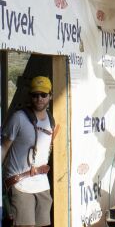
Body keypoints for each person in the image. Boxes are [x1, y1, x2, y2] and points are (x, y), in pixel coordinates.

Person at [1, 76, 55, 227]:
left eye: (43, 95)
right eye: (35, 95)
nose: (39, 98)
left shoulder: (51, 120)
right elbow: (4, 147)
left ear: (50, 96)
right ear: (30, 96)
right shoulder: (18, 118)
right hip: (20, 184)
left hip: (42, 184)